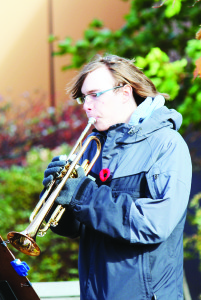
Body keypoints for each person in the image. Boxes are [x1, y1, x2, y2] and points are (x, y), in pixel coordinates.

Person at [42, 54, 192, 300]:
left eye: (95, 94)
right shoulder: (93, 148)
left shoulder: (166, 144)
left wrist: (81, 194)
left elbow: (154, 224)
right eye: (83, 97)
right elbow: (77, 227)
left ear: (125, 92)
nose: (86, 105)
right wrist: (58, 196)